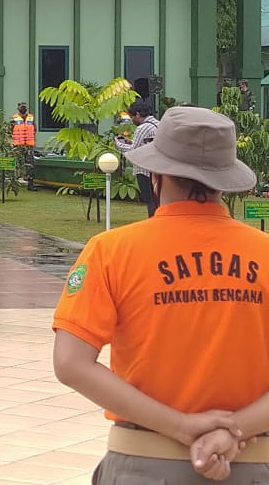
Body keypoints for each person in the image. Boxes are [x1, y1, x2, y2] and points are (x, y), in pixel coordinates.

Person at [53, 105, 269, 483]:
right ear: (225, 180)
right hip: (251, 464)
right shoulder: (264, 253)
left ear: (155, 175)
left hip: (143, 464)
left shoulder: (111, 251)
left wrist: (181, 426)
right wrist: (234, 429)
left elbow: (71, 363)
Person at [114, 99, 160, 217]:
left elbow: (133, 151)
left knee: (150, 201)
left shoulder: (142, 128)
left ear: (138, 114)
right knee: (157, 201)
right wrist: (130, 142)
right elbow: (147, 144)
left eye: (132, 116)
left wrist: (119, 144)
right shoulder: (158, 124)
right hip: (157, 168)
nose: (132, 120)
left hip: (144, 169)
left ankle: (152, 223)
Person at [10, 101, 36, 189]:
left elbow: (34, 129)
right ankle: (14, 184)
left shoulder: (31, 118)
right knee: (16, 164)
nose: (23, 108)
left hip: (29, 145)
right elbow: (10, 131)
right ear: (18, 108)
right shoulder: (14, 118)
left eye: (24, 107)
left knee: (30, 165)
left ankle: (31, 184)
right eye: (21, 107)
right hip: (18, 146)